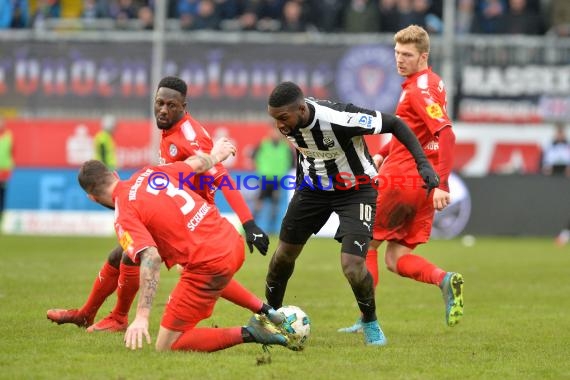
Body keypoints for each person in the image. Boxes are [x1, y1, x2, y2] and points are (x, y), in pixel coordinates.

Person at [47, 76, 271, 332]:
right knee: (125, 253)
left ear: (184, 106)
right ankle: (94, 315)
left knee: (140, 255)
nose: (164, 109)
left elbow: (221, 177)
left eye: (171, 105)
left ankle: (113, 317)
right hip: (175, 211)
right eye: (159, 103)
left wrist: (248, 222)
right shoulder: (169, 132)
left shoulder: (189, 136)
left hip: (191, 218)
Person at [263, 81, 440, 346]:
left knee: (353, 266)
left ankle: (370, 322)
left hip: (356, 191)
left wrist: (423, 163)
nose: (279, 125)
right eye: (274, 118)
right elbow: (305, 152)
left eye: (283, 118)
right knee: (282, 256)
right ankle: (270, 321)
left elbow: (396, 124)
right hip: (313, 190)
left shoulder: (339, 117)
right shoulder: (290, 122)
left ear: (301, 109)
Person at [76, 139, 289, 352]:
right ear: (114, 174)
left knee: (166, 345)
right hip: (232, 241)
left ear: (92, 198)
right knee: (190, 269)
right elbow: (196, 164)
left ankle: (252, 332)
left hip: (211, 263)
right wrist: (216, 155)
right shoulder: (149, 172)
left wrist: (142, 316)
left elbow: (150, 257)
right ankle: (267, 310)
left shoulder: (123, 215)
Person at [338, 25, 464, 335]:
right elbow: (413, 131)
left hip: (402, 180)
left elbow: (445, 133)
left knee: (364, 244)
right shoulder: (432, 83)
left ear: (423, 55)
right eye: (396, 53)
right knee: (396, 258)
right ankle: (443, 279)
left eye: (407, 54)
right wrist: (382, 152)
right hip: (421, 184)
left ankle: (367, 321)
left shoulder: (419, 89)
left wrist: (443, 184)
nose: (399, 59)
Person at [252, 127, 294, 234]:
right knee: (259, 201)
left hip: (278, 179)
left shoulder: (285, 147)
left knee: (275, 202)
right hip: (265, 178)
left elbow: (292, 162)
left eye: (277, 133)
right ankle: (251, 225)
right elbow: (253, 156)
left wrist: (284, 170)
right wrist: (260, 168)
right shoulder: (264, 144)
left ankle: (272, 228)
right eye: (273, 132)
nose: (275, 135)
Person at [0, 117, 14, 223]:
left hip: (4, 171)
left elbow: (12, 152)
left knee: (2, 196)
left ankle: (1, 221)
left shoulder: (9, 136)